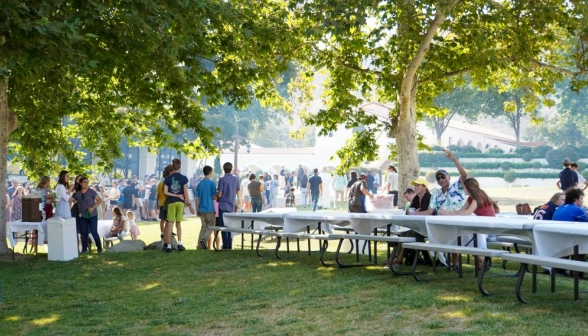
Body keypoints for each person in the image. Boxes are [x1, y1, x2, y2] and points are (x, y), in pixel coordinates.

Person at [439, 178, 499, 269]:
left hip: (489, 228)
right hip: (480, 226)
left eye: (463, 187)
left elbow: (468, 212)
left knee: (466, 234)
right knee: (457, 234)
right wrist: (448, 213)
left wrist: (449, 213)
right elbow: (462, 211)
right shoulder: (471, 198)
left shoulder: (478, 196)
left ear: (468, 187)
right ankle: (456, 263)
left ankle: (480, 261)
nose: (462, 189)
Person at [421, 149, 467, 215]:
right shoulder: (436, 193)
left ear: (449, 177)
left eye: (443, 176)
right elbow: (429, 211)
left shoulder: (457, 186)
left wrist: (453, 159)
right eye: (438, 178)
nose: (441, 180)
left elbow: (464, 175)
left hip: (456, 220)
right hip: (440, 222)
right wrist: (414, 213)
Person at [163, 159, 195, 252]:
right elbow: (185, 193)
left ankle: (168, 246)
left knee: (169, 224)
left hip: (171, 202)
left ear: (172, 166)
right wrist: (189, 205)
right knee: (178, 224)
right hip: (180, 203)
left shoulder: (168, 178)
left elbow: (165, 192)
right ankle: (179, 244)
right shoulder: (183, 178)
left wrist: (174, 195)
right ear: (180, 166)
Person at [71, 177, 103, 253]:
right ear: (81, 183)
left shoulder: (91, 192)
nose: (86, 184)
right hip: (83, 216)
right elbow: (68, 200)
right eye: (84, 182)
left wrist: (93, 207)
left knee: (94, 231)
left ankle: (99, 248)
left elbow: (99, 200)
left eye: (87, 182)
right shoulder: (77, 194)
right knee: (84, 233)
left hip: (93, 215)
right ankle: (84, 249)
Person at [216, 162, 240, 250]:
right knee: (230, 224)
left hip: (223, 204)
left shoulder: (222, 179)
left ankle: (225, 244)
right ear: (231, 168)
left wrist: (216, 195)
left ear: (223, 169)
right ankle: (230, 243)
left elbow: (219, 194)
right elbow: (237, 191)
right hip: (232, 204)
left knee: (223, 225)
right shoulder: (235, 179)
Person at [195, 165, 217, 250]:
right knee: (211, 226)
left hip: (202, 208)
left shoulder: (199, 184)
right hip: (210, 208)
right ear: (210, 173)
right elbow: (214, 197)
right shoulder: (212, 184)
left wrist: (197, 209)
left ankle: (200, 246)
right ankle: (204, 239)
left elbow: (197, 198)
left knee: (203, 227)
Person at [157, 165, 172, 239]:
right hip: (167, 204)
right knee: (168, 219)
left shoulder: (160, 184)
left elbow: (158, 195)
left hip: (162, 203)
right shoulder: (169, 183)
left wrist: (157, 203)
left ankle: (162, 232)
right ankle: (168, 231)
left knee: (162, 219)